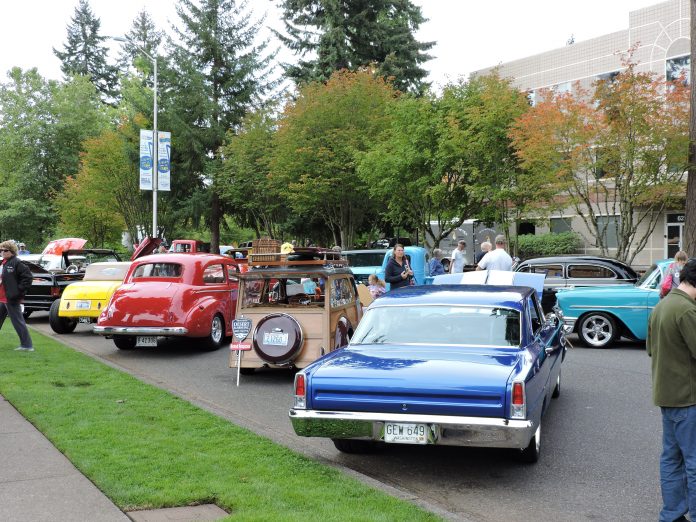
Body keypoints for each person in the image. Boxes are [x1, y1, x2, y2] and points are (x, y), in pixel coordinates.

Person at [646, 259, 696, 522]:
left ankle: (672, 513)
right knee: (693, 461)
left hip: (667, 395)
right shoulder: (687, 311)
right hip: (688, 397)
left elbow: (651, 349)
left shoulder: (662, 306)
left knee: (671, 458)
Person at [0, 240, 34, 352]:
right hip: (2, 298)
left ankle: (27, 346)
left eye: (5, 250)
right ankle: (26, 345)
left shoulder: (17, 263)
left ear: (12, 251)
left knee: (18, 322)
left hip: (11, 299)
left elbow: (28, 278)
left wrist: (18, 292)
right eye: (1, 250)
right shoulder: (4, 263)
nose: (3, 252)